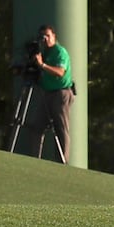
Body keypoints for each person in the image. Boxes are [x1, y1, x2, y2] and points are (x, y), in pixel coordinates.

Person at [29, 24, 75, 163]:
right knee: (37, 126)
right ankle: (34, 159)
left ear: (54, 36)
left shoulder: (60, 52)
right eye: (43, 37)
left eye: (48, 36)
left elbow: (60, 72)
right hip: (46, 93)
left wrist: (42, 65)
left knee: (61, 128)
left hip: (61, 94)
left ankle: (62, 161)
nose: (45, 40)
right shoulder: (43, 52)